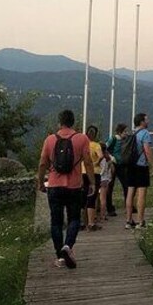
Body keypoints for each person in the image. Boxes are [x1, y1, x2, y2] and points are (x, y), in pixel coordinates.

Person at [36, 109, 95, 269]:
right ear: (73, 122)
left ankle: (60, 257)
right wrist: (92, 183)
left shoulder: (49, 140)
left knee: (56, 222)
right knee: (74, 219)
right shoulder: (81, 138)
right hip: (74, 186)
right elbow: (88, 162)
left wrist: (41, 182)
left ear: (59, 122)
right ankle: (68, 246)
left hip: (54, 186)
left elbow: (42, 163)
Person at [124, 112, 153, 229]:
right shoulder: (145, 133)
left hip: (130, 165)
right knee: (141, 194)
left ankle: (128, 220)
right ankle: (140, 221)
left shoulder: (132, 133)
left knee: (130, 193)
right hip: (141, 166)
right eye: (146, 119)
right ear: (142, 122)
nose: (148, 121)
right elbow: (147, 150)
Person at [81, 125, 103, 231]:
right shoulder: (96, 145)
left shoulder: (83, 145)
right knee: (92, 197)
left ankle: (82, 222)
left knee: (83, 197)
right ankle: (91, 223)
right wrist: (97, 162)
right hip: (94, 173)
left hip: (82, 172)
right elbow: (101, 155)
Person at [105, 123, 129, 216]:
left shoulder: (125, 140)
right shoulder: (113, 139)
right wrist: (111, 158)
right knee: (110, 186)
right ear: (120, 132)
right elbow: (104, 148)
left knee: (126, 185)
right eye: (125, 132)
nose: (126, 133)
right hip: (113, 164)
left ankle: (128, 206)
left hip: (122, 164)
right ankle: (109, 208)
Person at [98, 144, 112, 222]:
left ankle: (99, 215)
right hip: (105, 179)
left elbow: (101, 170)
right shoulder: (107, 158)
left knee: (98, 198)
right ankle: (103, 215)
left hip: (100, 178)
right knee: (103, 198)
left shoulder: (100, 159)